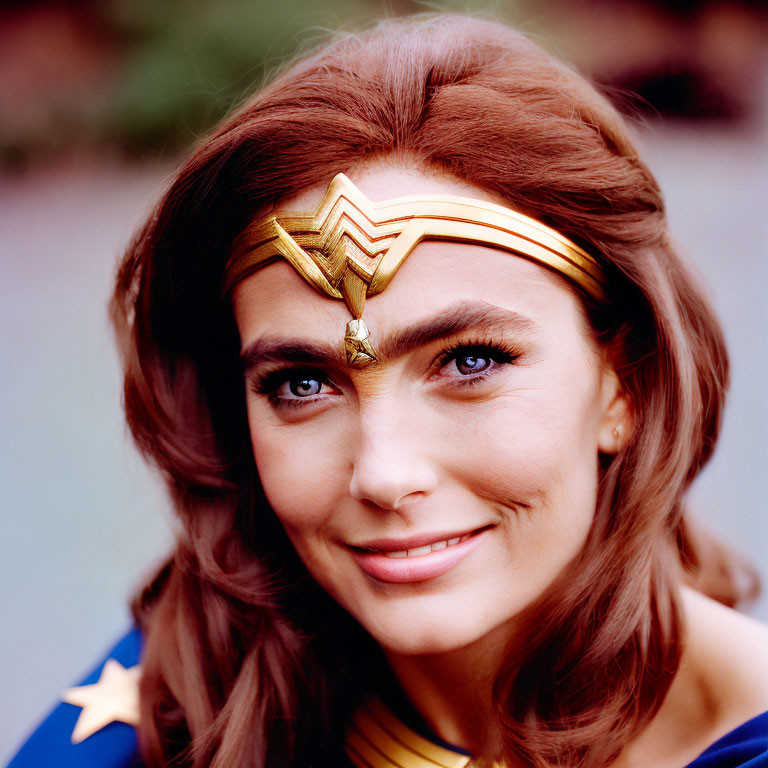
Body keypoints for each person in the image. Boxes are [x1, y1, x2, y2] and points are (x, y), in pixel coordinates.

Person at [8, 13, 768, 768]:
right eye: (302, 384)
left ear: (622, 383)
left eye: (470, 362)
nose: (384, 474)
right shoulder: (177, 701)